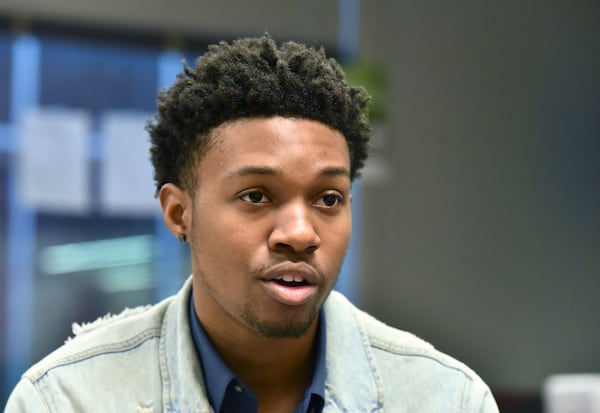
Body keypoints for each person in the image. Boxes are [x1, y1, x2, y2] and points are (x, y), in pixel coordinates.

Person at [5, 34, 499, 412]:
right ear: (180, 213)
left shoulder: (447, 398)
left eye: (329, 198)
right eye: (256, 195)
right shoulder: (67, 399)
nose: (301, 234)